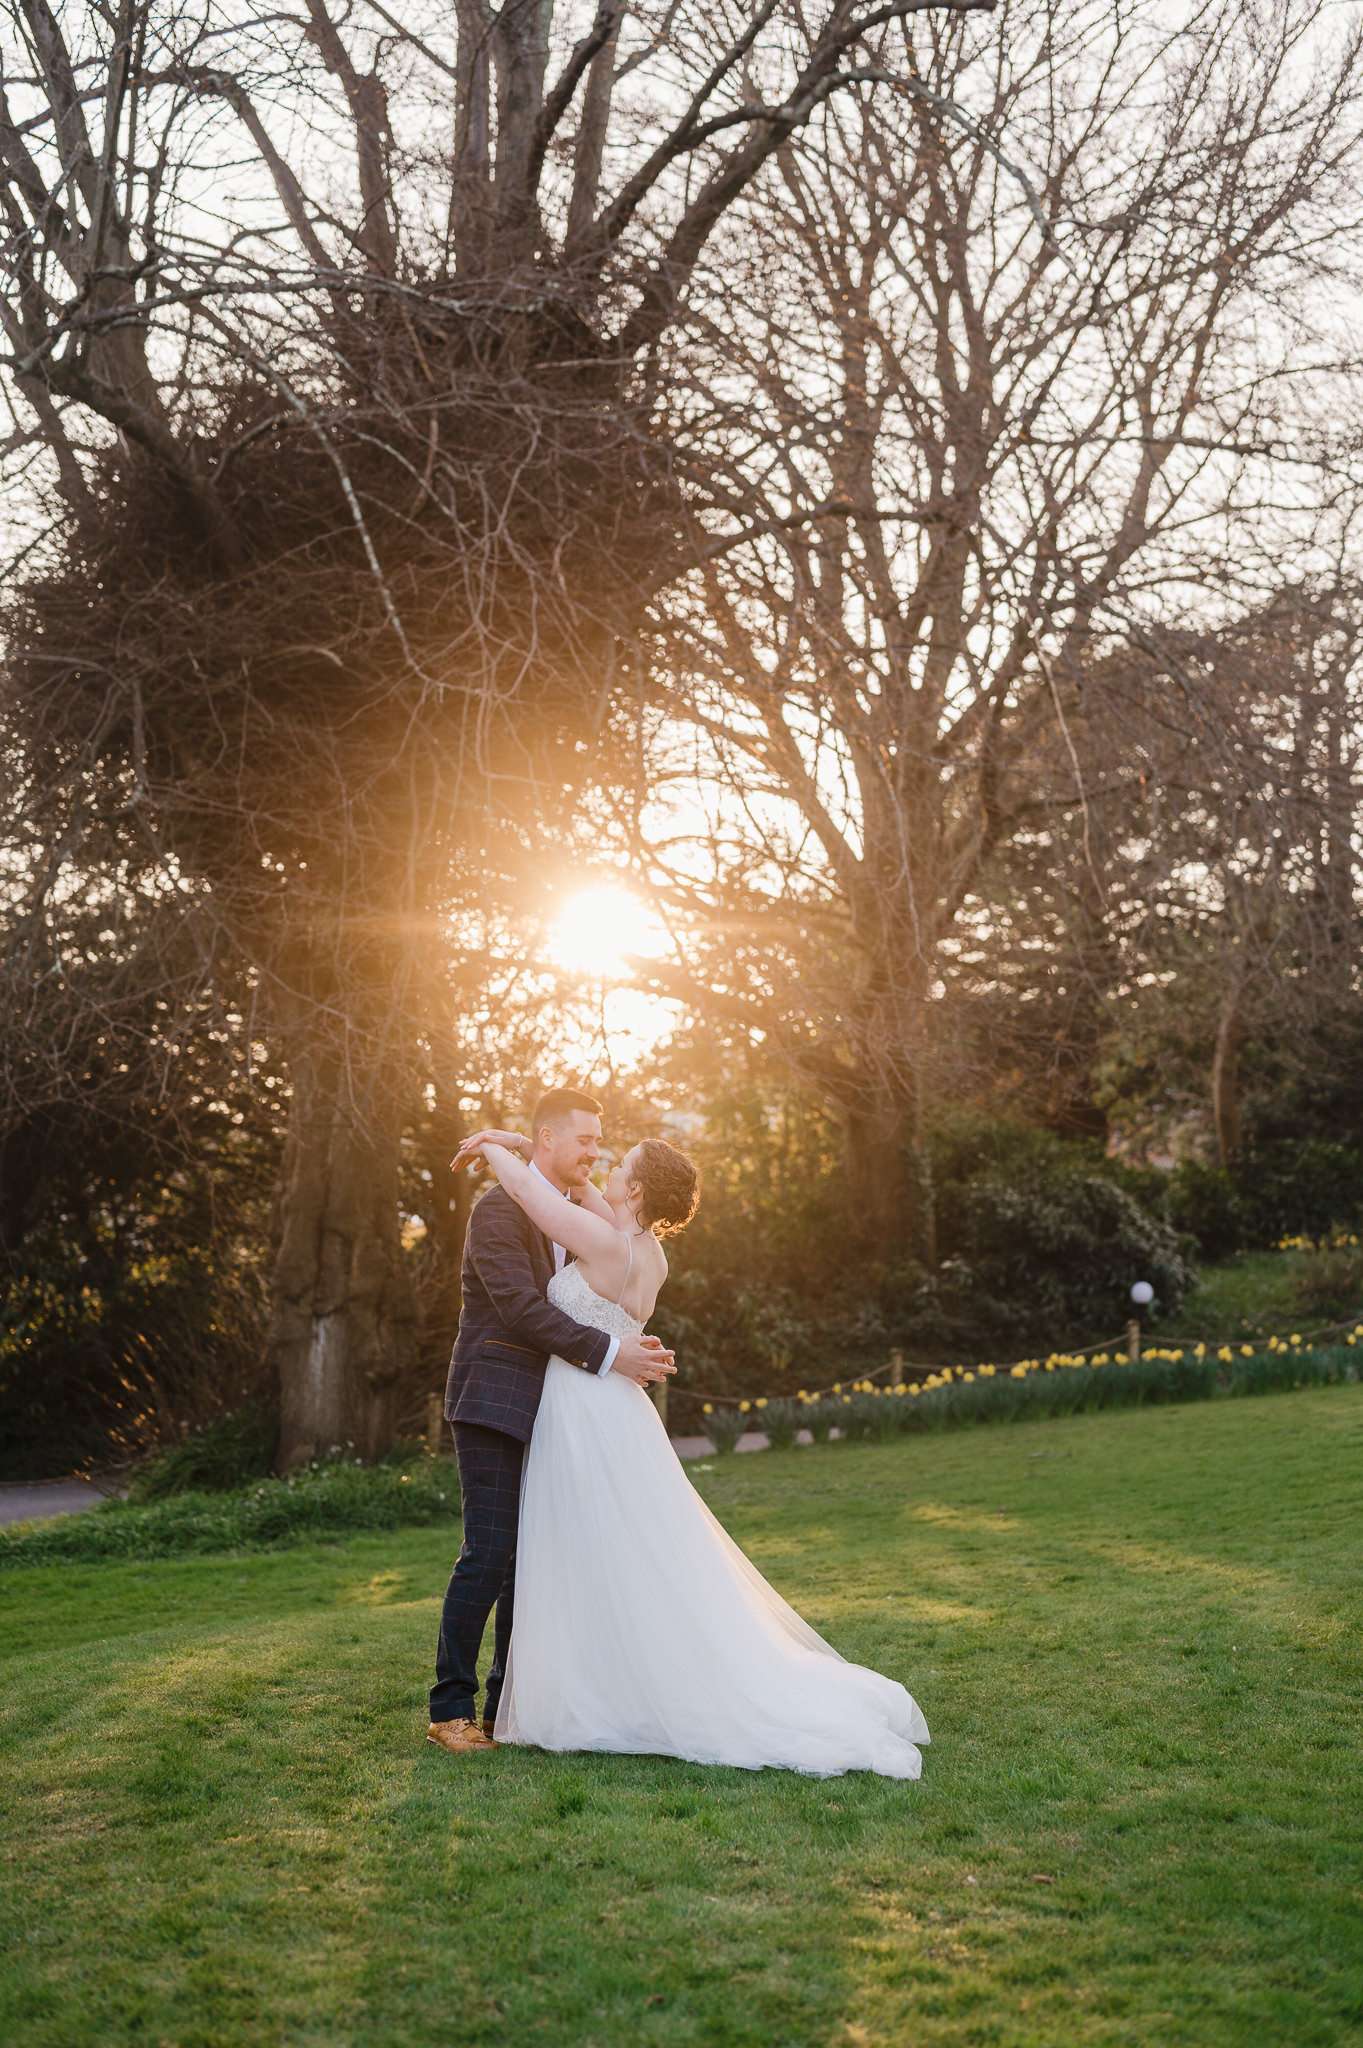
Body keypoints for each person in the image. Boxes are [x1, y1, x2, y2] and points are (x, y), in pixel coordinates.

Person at [438, 1114, 930, 1780]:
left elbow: (535, 1199)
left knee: (560, 1550)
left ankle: (530, 1696)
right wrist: (533, 1149)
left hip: (582, 1404)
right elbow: (567, 1197)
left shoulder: (602, 1242)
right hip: (611, 1407)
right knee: (589, 1551)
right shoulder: (649, 1253)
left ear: (636, 1192)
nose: (605, 1163)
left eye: (620, 1164)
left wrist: (494, 1146)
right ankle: (522, 1696)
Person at [427, 1087, 676, 1753]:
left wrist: (502, 1144)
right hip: (494, 1397)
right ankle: (450, 1710)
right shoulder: (498, 1210)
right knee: (489, 1553)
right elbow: (515, 1307)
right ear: (548, 1140)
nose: (596, 1153)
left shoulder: (578, 1215)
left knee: (531, 1560)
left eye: (602, 1144)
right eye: (586, 1141)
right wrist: (609, 1351)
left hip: (557, 1408)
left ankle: (509, 1706)